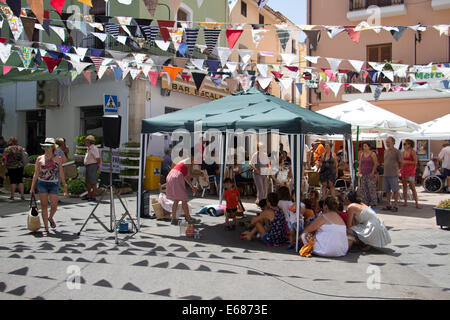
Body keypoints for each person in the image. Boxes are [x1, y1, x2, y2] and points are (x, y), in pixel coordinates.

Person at [30, 138, 67, 237]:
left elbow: (61, 172)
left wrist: (64, 184)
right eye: (44, 146)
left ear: (52, 147)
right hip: (42, 183)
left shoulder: (58, 158)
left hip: (54, 183)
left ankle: (50, 218)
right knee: (44, 206)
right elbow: (36, 173)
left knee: (54, 205)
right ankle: (46, 227)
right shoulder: (39, 158)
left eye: (48, 146)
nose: (46, 148)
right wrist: (32, 187)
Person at [166, 149, 200, 225]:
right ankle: (188, 218)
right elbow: (190, 175)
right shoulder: (190, 161)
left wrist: (192, 186)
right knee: (184, 199)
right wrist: (200, 174)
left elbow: (186, 177)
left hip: (171, 175)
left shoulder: (185, 160)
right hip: (177, 176)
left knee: (177, 199)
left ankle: (174, 219)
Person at [382, 136, 403, 212]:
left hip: (393, 173)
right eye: (386, 142)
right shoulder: (386, 151)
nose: (387, 144)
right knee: (387, 190)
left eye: (388, 142)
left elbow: (401, 162)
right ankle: (388, 204)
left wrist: (398, 169)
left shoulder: (397, 152)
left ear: (393, 142)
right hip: (386, 173)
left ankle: (396, 205)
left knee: (395, 190)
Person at [400, 139, 421, 209]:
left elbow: (415, 162)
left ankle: (417, 203)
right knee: (404, 186)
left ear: (409, 145)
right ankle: (405, 201)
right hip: (404, 170)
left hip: (411, 171)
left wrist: (406, 162)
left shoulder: (413, 152)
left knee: (412, 187)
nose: (404, 145)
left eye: (405, 144)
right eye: (404, 144)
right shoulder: (403, 152)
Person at [358, 142, 378, 207]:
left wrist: (372, 172)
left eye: (366, 146)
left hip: (370, 173)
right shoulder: (362, 154)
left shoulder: (372, 154)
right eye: (363, 146)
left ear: (369, 147)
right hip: (363, 173)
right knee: (363, 188)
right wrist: (359, 171)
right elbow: (360, 163)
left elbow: (375, 163)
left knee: (371, 188)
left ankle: (373, 201)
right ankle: (365, 201)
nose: (364, 147)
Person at [83, 135, 100, 202]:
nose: (85, 142)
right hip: (88, 166)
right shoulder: (89, 148)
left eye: (86, 141)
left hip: (92, 166)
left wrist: (98, 166)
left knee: (93, 182)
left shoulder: (94, 148)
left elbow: (98, 158)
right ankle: (89, 195)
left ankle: (93, 196)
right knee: (88, 182)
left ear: (89, 142)